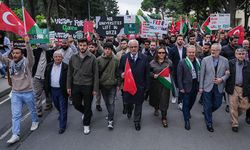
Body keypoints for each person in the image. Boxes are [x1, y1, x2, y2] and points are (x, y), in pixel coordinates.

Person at [0, 37, 39, 144]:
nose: (15, 55)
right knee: (16, 115)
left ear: (22, 54)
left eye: (17, 53)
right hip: (16, 93)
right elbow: (1, 58)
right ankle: (15, 134)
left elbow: (31, 56)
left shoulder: (28, 63)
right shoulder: (10, 63)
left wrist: (27, 43)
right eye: (13, 53)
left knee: (32, 110)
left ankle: (35, 121)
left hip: (28, 92)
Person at [67, 38, 99, 135]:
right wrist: (68, 86)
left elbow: (96, 74)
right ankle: (86, 112)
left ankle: (86, 124)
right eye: (80, 45)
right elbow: (69, 73)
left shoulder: (92, 58)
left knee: (88, 105)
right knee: (76, 104)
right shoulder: (73, 57)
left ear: (87, 46)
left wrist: (95, 89)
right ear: (78, 45)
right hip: (76, 85)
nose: (82, 47)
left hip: (88, 85)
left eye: (84, 45)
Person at [119, 39, 150, 131]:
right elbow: (120, 69)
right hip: (128, 86)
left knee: (138, 104)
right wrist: (121, 74)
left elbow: (147, 73)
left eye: (135, 47)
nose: (133, 49)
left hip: (140, 86)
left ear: (138, 47)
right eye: (131, 47)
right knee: (128, 103)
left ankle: (137, 121)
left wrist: (147, 87)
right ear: (128, 47)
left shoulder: (144, 57)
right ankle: (129, 110)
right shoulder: (124, 57)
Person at [199, 43, 229, 132]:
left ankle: (207, 112)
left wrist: (222, 79)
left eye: (215, 50)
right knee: (207, 104)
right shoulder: (205, 60)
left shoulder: (225, 60)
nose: (212, 51)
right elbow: (202, 74)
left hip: (219, 86)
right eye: (212, 49)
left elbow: (227, 73)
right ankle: (209, 123)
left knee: (218, 104)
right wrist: (201, 87)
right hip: (207, 86)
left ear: (219, 51)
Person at [225, 48, 250, 132]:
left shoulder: (248, 64)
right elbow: (225, 73)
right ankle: (234, 123)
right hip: (233, 87)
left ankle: (234, 115)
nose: (241, 55)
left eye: (243, 54)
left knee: (245, 106)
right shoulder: (230, 63)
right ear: (236, 55)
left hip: (244, 88)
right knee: (233, 106)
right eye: (239, 54)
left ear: (245, 55)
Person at [97, 42, 120, 130]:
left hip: (112, 85)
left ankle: (110, 120)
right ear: (103, 49)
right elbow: (97, 73)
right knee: (106, 102)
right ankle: (110, 114)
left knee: (111, 102)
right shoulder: (98, 59)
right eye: (106, 49)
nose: (107, 51)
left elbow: (118, 73)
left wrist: (118, 84)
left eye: (109, 49)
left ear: (111, 50)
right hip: (103, 85)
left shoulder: (116, 60)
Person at [44, 50, 68, 134]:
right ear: (53, 57)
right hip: (52, 89)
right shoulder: (48, 66)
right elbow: (46, 78)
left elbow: (69, 80)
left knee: (63, 107)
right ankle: (61, 114)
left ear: (62, 58)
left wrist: (69, 89)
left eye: (59, 56)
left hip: (62, 90)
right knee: (57, 105)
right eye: (56, 56)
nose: (57, 58)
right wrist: (46, 89)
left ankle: (62, 126)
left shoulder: (66, 67)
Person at [177, 45, 200, 130]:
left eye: (193, 52)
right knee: (186, 103)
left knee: (192, 102)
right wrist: (181, 88)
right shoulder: (182, 62)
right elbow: (179, 77)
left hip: (195, 85)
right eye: (190, 52)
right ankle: (186, 120)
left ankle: (186, 111)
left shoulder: (198, 61)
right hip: (186, 86)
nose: (191, 54)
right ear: (186, 53)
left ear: (195, 53)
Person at [149, 47, 173, 127]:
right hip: (155, 85)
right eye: (159, 53)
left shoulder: (169, 62)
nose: (161, 54)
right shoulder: (152, 62)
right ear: (157, 53)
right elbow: (148, 72)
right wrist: (153, 75)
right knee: (156, 99)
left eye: (163, 53)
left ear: (165, 53)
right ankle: (156, 108)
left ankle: (164, 117)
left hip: (165, 85)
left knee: (164, 100)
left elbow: (172, 72)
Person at [32, 44, 54, 117]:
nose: (42, 45)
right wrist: (27, 43)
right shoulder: (35, 51)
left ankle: (48, 104)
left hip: (46, 76)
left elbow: (55, 54)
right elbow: (28, 52)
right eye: (40, 43)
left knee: (47, 92)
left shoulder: (49, 52)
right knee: (37, 94)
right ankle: (39, 110)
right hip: (37, 77)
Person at [169, 34, 187, 109]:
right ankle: (173, 95)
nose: (180, 40)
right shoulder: (172, 49)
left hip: (183, 70)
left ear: (183, 40)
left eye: (181, 39)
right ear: (176, 40)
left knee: (181, 85)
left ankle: (180, 101)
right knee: (174, 84)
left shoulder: (186, 50)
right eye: (179, 39)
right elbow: (170, 60)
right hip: (174, 69)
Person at [88, 41, 103, 111]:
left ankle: (98, 104)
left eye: (92, 47)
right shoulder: (86, 55)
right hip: (88, 78)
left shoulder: (100, 55)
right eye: (89, 47)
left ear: (96, 48)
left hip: (98, 77)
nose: (90, 49)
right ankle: (88, 107)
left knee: (98, 93)